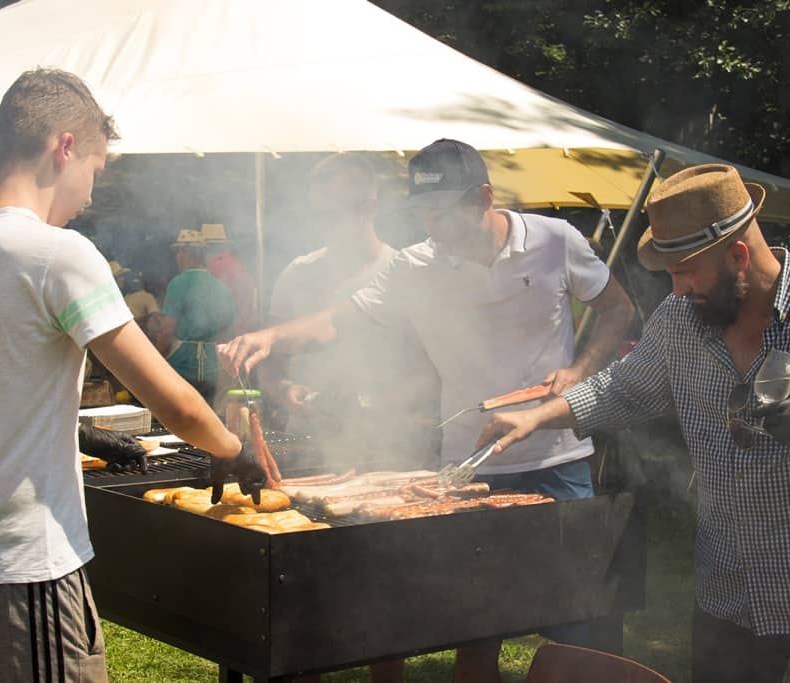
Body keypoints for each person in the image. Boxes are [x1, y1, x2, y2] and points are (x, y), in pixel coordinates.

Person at [219, 138, 635, 682]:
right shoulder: (415, 265)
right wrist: (273, 336)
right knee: (473, 625)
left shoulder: (554, 240)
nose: (432, 228)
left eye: (442, 214)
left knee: (577, 623)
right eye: (422, 214)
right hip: (467, 471)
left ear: (483, 197)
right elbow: (338, 320)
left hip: (558, 461)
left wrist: (579, 373)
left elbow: (618, 309)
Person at [0, 68, 263, 683]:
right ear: (64, 146)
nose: (92, 194)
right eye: (96, 169)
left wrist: (66, 428)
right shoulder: (56, 253)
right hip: (22, 567)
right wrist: (235, 450)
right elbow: (172, 403)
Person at [477, 163, 790, 683]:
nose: (677, 288)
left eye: (686, 271)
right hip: (729, 598)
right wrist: (538, 417)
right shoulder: (679, 320)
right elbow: (618, 388)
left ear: (737, 256)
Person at [263, 153, 439, 472]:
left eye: (330, 213)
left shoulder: (404, 274)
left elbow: (432, 371)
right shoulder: (297, 273)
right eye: (314, 213)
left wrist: (373, 408)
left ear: (368, 208)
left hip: (386, 451)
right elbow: (270, 360)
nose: (320, 224)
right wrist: (285, 389)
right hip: (304, 447)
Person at [156, 228, 236, 401]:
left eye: (178, 252)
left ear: (183, 252)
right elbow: (228, 330)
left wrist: (156, 360)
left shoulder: (178, 283)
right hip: (211, 370)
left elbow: (166, 331)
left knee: (178, 420)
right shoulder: (221, 287)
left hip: (182, 367)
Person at [202, 224, 257, 338]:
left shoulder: (215, 268)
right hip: (244, 334)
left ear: (206, 248)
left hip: (226, 338)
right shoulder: (236, 264)